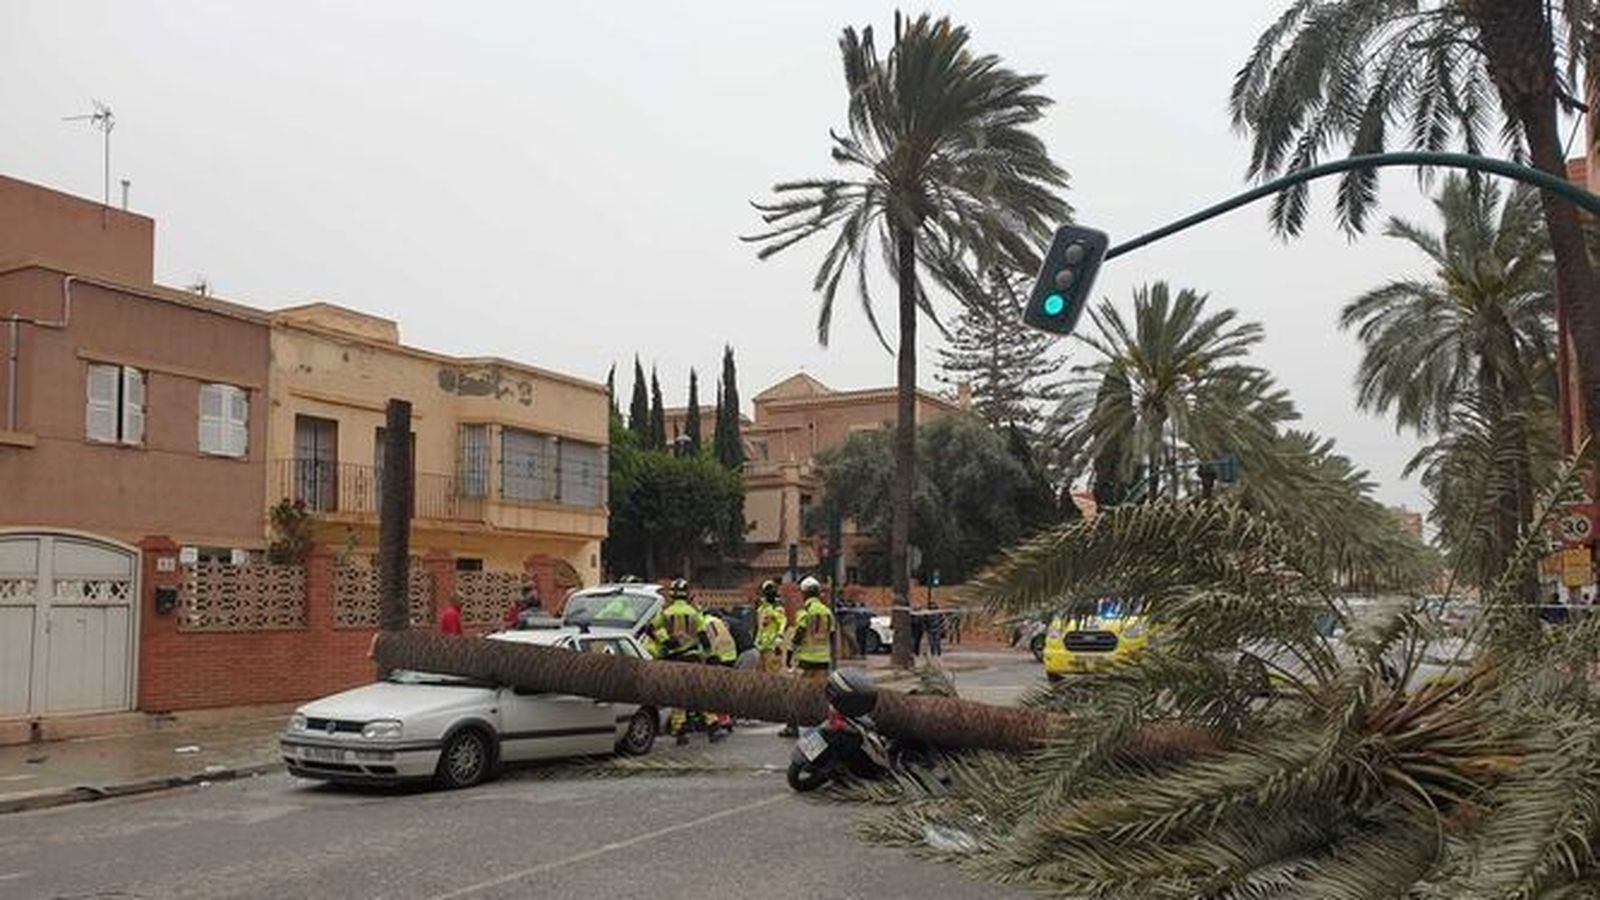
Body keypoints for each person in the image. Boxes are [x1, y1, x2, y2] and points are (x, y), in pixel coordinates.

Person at [650, 578, 710, 744]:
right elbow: (703, 635)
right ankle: (712, 724)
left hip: (675, 658)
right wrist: (710, 654)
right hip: (693, 657)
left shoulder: (666, 612)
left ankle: (679, 730)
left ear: (673, 594)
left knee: (678, 695)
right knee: (700, 692)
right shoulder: (694, 612)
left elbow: (651, 628)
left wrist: (666, 641)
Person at [779, 575, 834, 738]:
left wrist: (790, 654)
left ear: (804, 594)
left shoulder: (805, 612)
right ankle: (823, 727)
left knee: (796, 694)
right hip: (823, 660)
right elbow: (831, 636)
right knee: (820, 694)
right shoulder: (827, 612)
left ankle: (792, 727)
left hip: (806, 660)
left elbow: (799, 635)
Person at [701, 613, 739, 741]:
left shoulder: (705, 622)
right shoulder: (718, 621)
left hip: (718, 658)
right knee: (722, 691)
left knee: (713, 692)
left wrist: (707, 657)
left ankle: (718, 721)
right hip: (730, 656)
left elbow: (710, 641)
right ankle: (726, 721)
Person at [754, 580, 788, 675]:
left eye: (771, 589)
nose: (770, 592)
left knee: (772, 673)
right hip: (760, 645)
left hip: (772, 645)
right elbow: (758, 626)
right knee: (759, 673)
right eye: (767, 590)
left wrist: (779, 636)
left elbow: (783, 622)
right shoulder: (761, 609)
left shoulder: (778, 609)